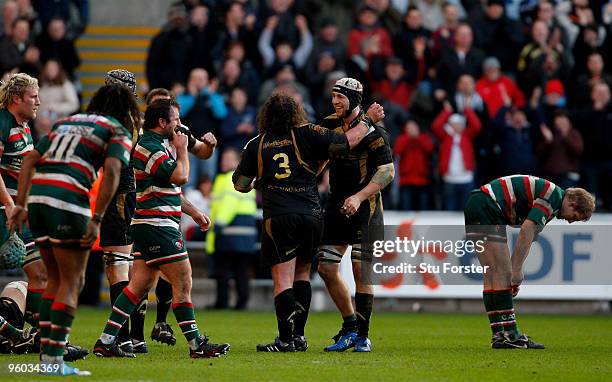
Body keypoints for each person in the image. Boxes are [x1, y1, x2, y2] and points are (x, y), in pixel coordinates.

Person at [233, 92, 383, 352]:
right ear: (295, 113)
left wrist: (262, 179)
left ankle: (285, 339)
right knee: (303, 273)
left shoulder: (256, 143)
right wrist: (368, 120)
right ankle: (300, 336)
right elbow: (347, 141)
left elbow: (240, 184)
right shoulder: (308, 132)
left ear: (266, 115)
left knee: (283, 280)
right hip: (312, 215)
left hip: (279, 216)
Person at [9, 83, 135, 375]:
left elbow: (29, 159)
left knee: (53, 279)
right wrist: (97, 218)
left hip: (37, 200)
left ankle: (47, 357)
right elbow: (114, 171)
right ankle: (54, 361)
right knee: (73, 281)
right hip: (67, 201)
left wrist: (22, 205)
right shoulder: (117, 130)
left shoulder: (67, 121)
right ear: (125, 110)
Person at [93, 99, 229, 359]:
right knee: (183, 280)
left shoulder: (162, 144)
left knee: (137, 287)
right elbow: (181, 177)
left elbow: (169, 188)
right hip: (157, 225)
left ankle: (106, 341)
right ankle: (196, 344)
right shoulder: (148, 146)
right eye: (175, 119)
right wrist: (182, 151)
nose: (180, 124)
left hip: (152, 223)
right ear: (162, 122)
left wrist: (195, 212)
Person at [464, 175, 595, 348]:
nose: (571, 221)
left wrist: (516, 272)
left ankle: (499, 335)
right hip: (488, 205)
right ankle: (512, 335)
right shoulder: (554, 197)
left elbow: (530, 236)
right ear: (572, 203)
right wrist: (516, 271)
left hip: (478, 202)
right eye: (575, 217)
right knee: (502, 273)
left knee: (492, 274)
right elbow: (527, 229)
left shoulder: (551, 205)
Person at [317, 78, 394, 353]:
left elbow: (387, 172)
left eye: (340, 96)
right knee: (325, 267)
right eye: (333, 96)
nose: (335, 101)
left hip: (367, 209)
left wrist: (359, 197)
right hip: (337, 205)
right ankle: (350, 326)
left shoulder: (376, 134)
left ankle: (363, 335)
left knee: (361, 271)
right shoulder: (329, 124)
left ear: (354, 99)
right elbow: (323, 154)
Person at [0, 73, 47, 338]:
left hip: (20, 213)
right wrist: (7, 204)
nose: (38, 102)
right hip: (5, 212)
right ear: (16, 98)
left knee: (39, 273)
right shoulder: (3, 122)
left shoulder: (24, 125)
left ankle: (42, 338)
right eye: (33, 97)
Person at [207, 148, 257, 310]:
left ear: (237, 162)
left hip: (228, 232)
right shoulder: (238, 178)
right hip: (245, 233)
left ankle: (223, 302)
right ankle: (242, 302)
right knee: (241, 271)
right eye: (223, 158)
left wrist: (219, 224)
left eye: (228, 159)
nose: (224, 162)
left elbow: (229, 204)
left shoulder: (228, 178)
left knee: (223, 271)